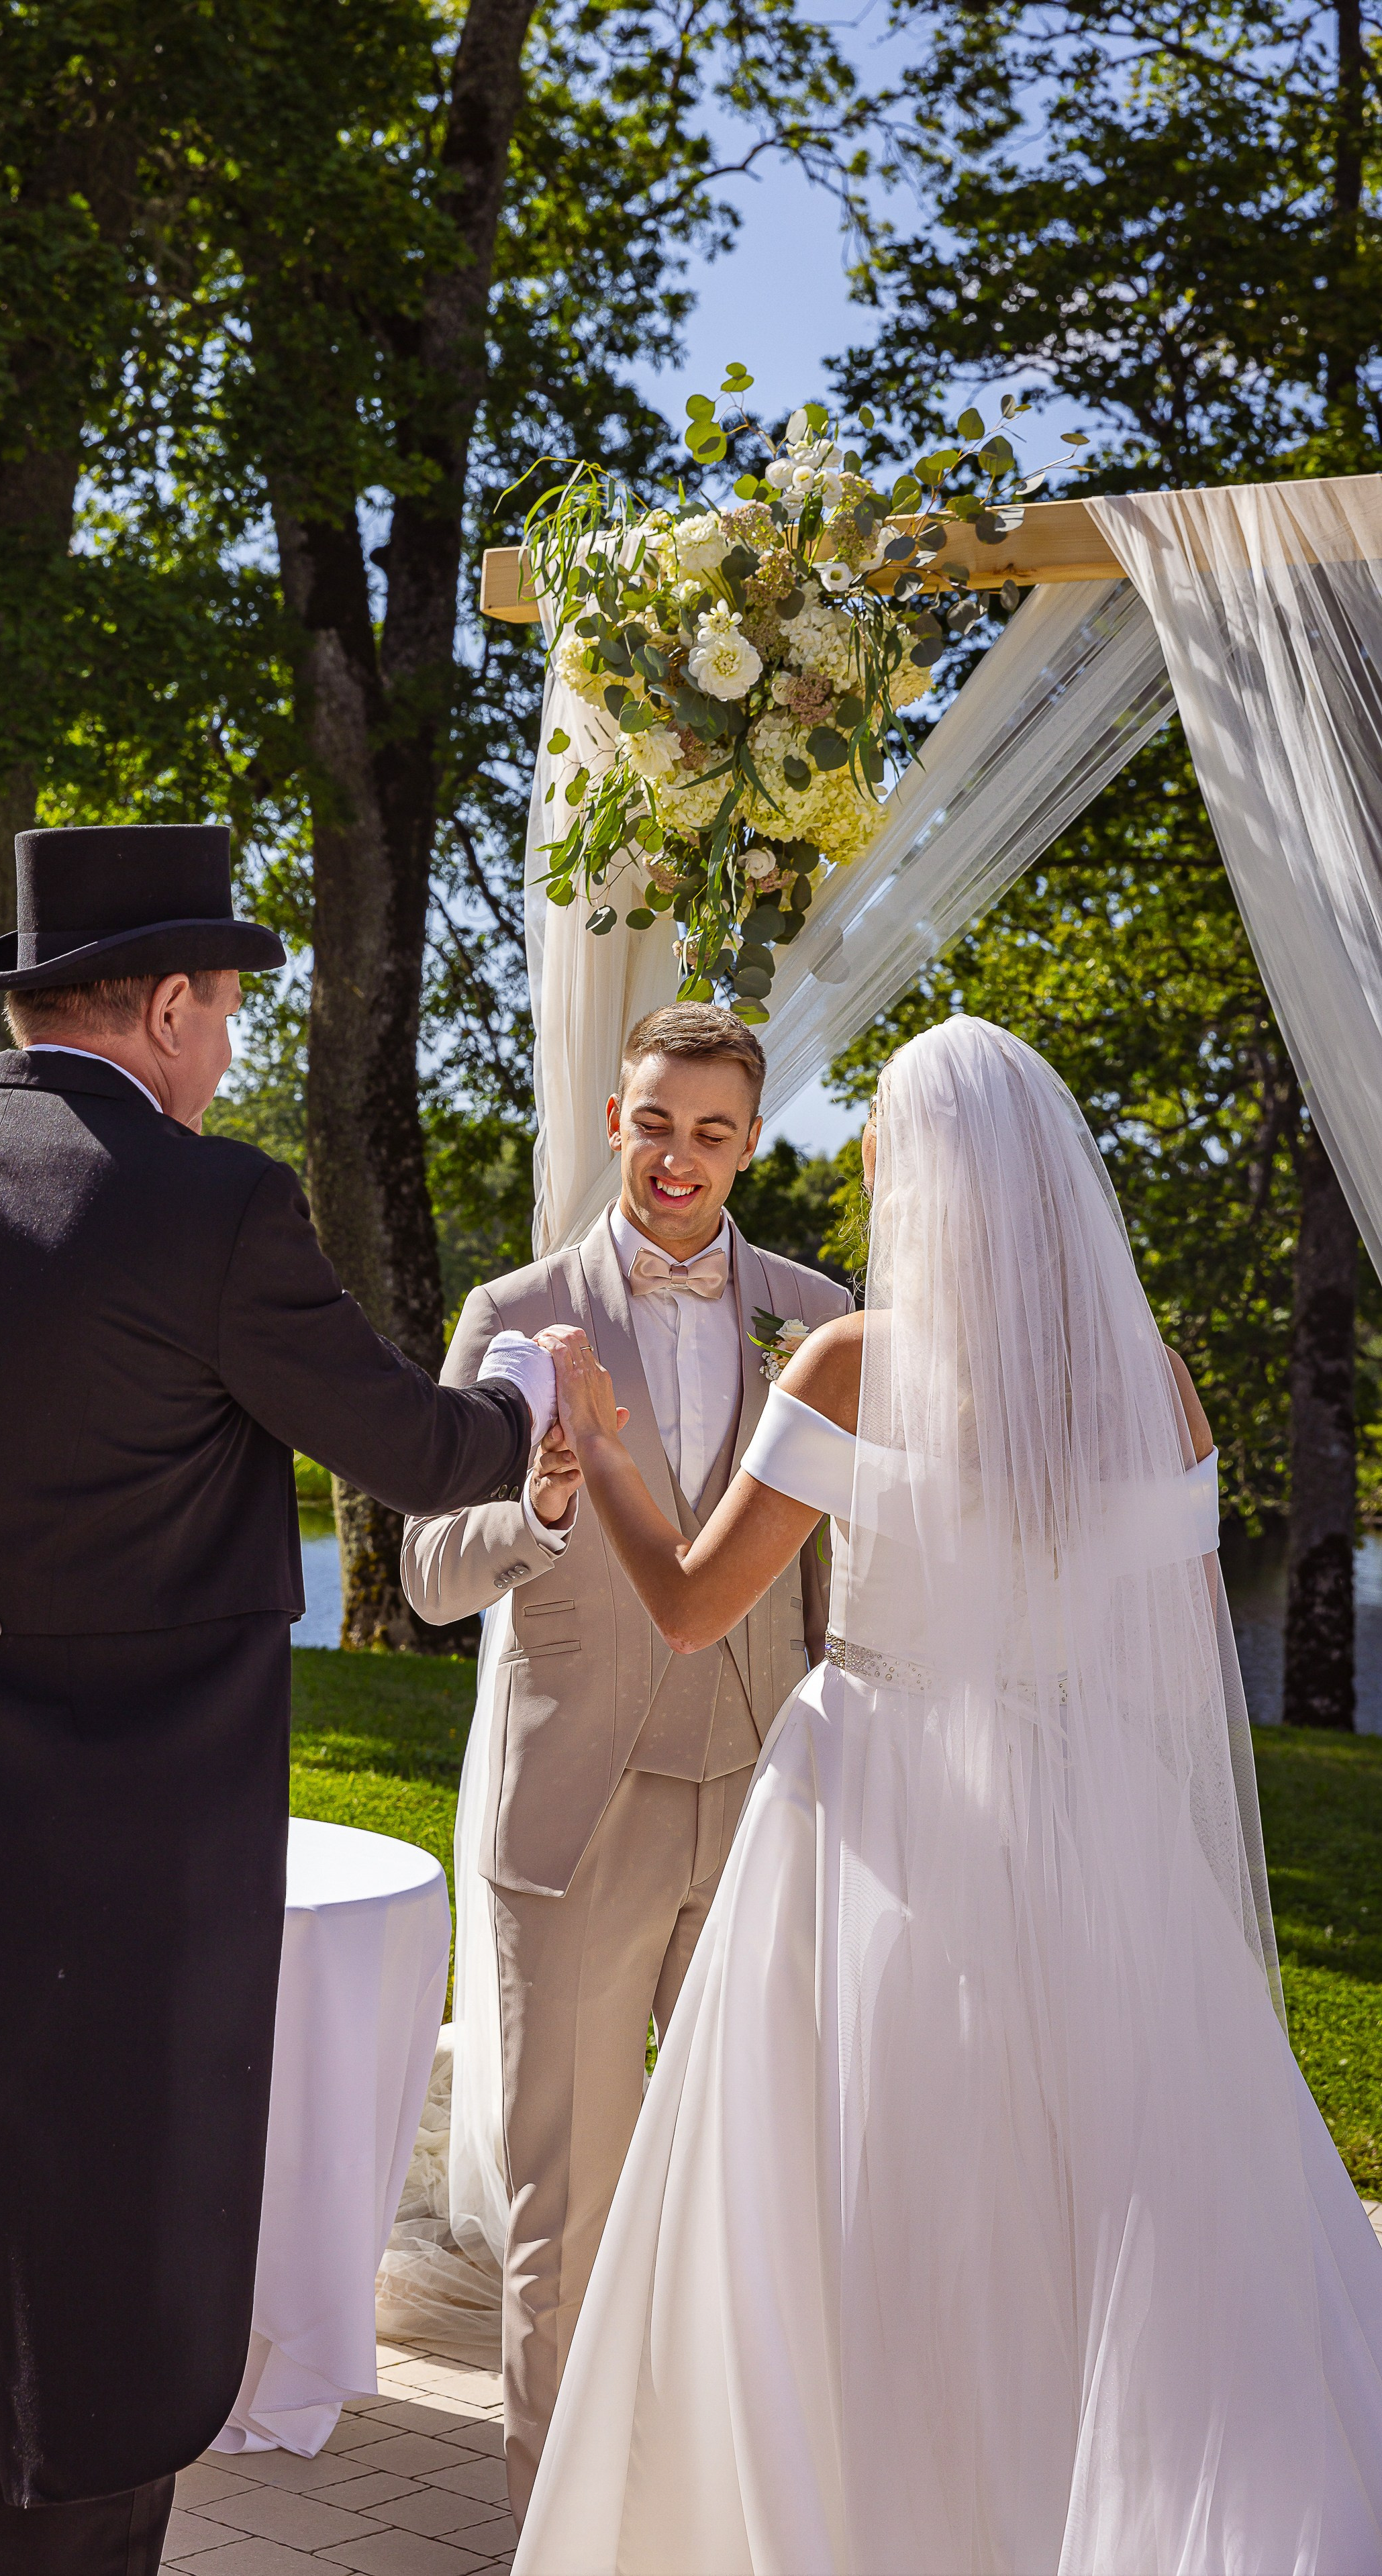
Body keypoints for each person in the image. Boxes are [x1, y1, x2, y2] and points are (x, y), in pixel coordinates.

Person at [0, 824, 542, 2576]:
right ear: (162, 1002)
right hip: (113, 1853)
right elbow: (407, 1441)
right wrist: (522, 1396)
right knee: (95, 2294)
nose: (224, 1052)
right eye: (221, 1015)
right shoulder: (215, 1205)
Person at [517, 1014, 1382, 2575]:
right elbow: (1180, 1648)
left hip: (873, 1802)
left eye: (874, 1167)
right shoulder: (1159, 1384)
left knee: (852, 2193)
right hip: (1083, 1808)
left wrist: (606, 1451)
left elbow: (697, 1605)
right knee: (1096, 2189)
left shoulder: (852, 1359)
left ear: (923, 1182)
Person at [401, 1002, 850, 2521]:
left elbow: (830, 1580)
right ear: (614, 1120)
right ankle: (554, 2532)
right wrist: (530, 1511)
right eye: (656, 1122)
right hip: (575, 1821)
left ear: (750, 1140)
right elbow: (424, 1573)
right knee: (568, 2214)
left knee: (765, 2194)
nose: (679, 1157)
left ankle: (730, 2516)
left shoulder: (815, 1308)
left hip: (769, 1803)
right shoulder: (516, 1310)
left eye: (712, 1130)